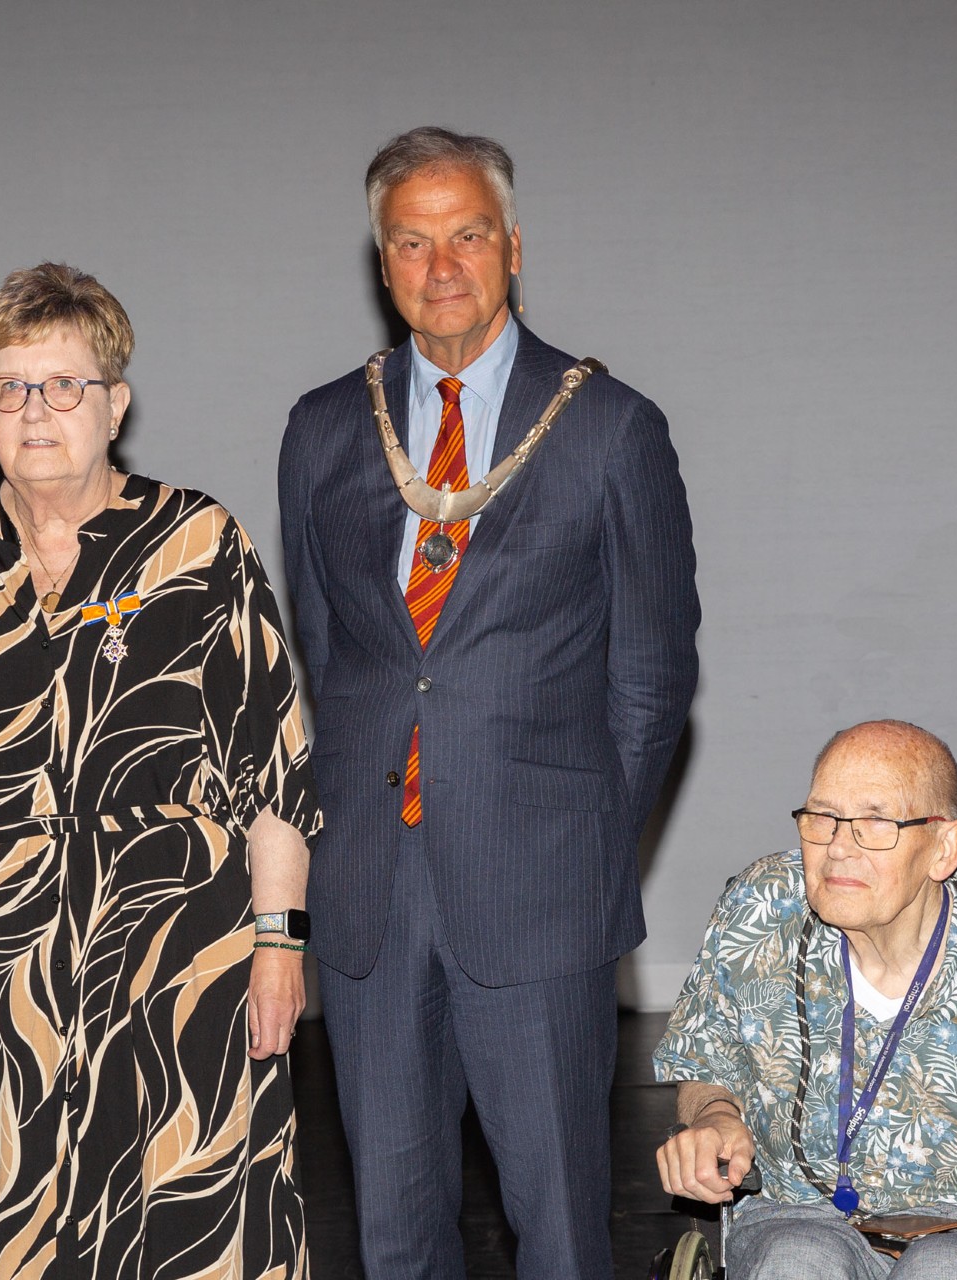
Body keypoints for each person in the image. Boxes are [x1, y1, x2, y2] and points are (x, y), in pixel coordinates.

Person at [277, 125, 701, 1279]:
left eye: (467, 234)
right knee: (394, 1231)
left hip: (541, 893)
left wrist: (577, 841)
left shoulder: (610, 428)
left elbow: (653, 677)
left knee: (558, 1226)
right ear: (382, 262)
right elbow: (331, 652)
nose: (442, 264)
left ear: (514, 245)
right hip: (371, 894)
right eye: (412, 241)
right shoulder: (326, 426)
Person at [0, 262, 320, 1279]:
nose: (33, 411)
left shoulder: (198, 542)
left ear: (116, 403)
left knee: (190, 1212)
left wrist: (280, 942)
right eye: (10, 386)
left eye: (63, 386)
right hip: (6, 956)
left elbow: (273, 764)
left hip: (179, 951)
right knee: (18, 1216)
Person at [653, 720, 957, 1278]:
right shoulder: (760, 910)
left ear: (945, 848)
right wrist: (714, 1114)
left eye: (875, 823)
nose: (837, 848)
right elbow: (707, 1058)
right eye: (821, 817)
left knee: (943, 1268)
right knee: (798, 1262)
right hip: (805, 1212)